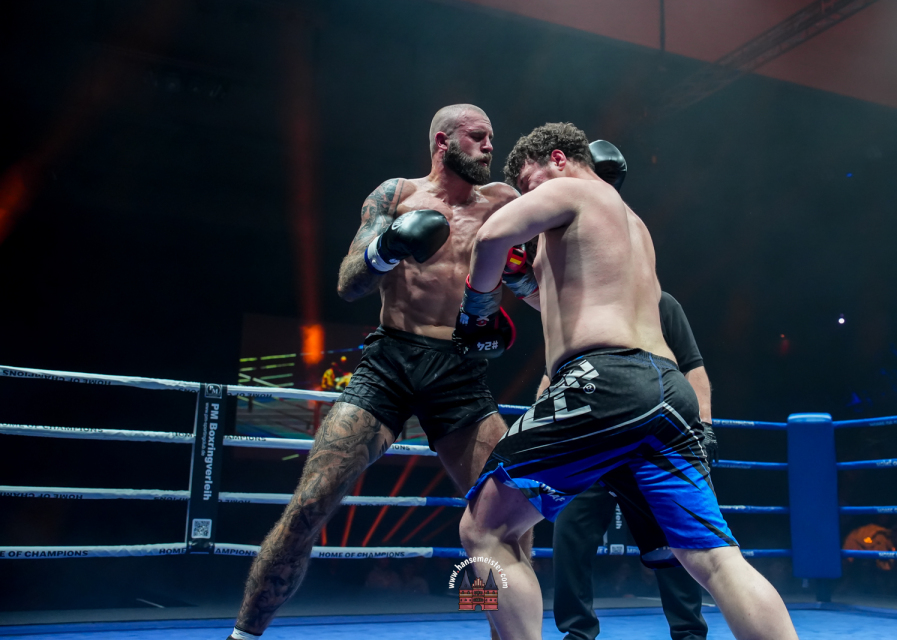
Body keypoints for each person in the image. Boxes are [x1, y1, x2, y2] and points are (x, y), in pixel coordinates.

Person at [453, 122, 797, 640]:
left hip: (604, 384)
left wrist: (477, 310)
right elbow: (565, 301)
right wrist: (523, 281)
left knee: (482, 529)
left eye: (528, 183)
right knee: (715, 558)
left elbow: (489, 236)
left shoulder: (570, 190)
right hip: (666, 392)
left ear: (558, 159)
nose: (528, 196)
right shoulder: (630, 222)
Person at [227, 104, 527, 640]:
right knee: (310, 503)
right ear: (443, 142)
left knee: (505, 524)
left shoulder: (504, 201)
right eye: (478, 137)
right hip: (391, 361)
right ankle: (243, 636)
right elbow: (348, 282)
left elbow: (540, 275)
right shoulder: (396, 195)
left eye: (491, 138)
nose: (489, 147)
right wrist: (387, 248)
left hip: (460, 369)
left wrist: (520, 279)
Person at [549, 291, 718, 640]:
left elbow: (692, 367)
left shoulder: (661, 304)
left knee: (673, 539)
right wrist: (549, 428)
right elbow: (555, 375)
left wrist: (704, 425)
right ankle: (577, 633)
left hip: (648, 444)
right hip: (591, 444)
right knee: (569, 536)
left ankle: (688, 633)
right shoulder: (579, 306)